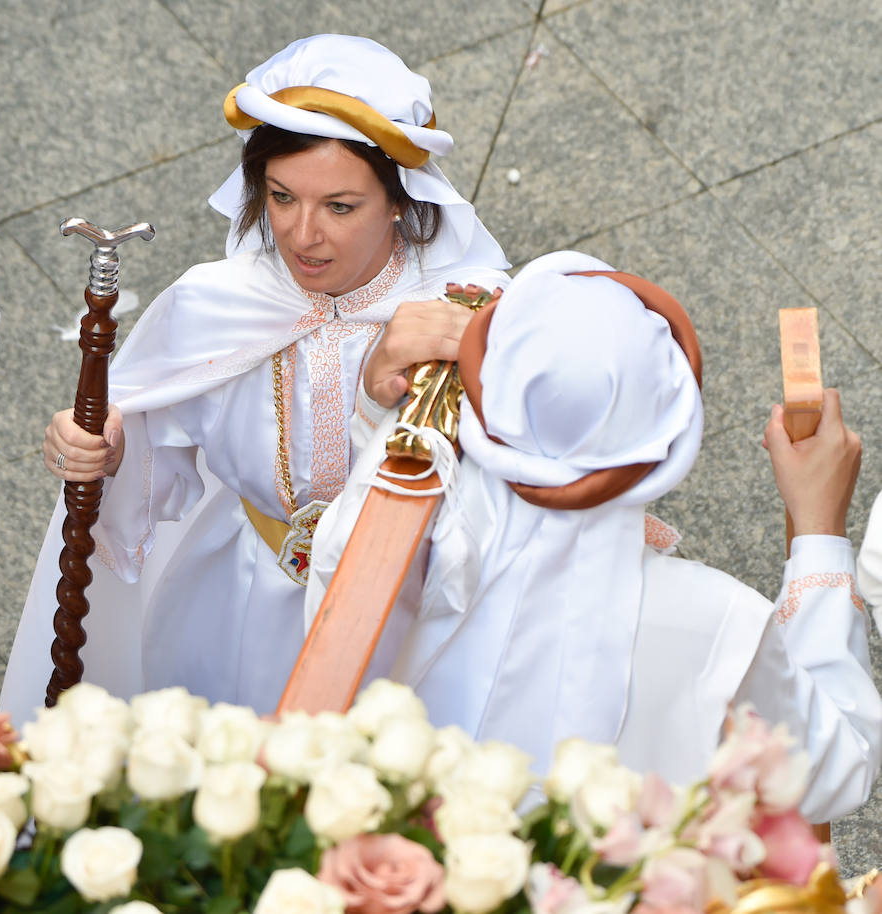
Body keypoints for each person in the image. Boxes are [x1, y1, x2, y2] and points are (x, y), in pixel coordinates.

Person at [0, 34, 510, 720]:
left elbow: (490, 482)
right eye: (281, 197)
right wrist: (106, 449)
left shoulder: (459, 311)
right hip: (240, 594)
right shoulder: (219, 302)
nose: (303, 235)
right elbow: (149, 433)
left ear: (398, 201)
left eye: (340, 206)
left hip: (400, 610)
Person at [308, 251, 882, 823]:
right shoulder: (711, 619)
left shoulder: (384, 521)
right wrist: (818, 533)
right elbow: (837, 768)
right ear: (663, 449)